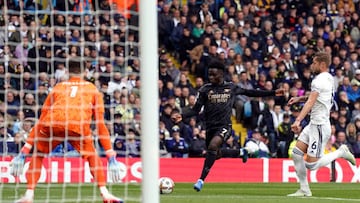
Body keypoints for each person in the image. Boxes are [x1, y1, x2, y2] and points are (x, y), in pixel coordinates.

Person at [10, 59, 123, 203]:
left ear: (67, 72)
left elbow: (41, 120)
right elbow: (100, 124)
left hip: (53, 123)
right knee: (92, 156)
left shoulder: (58, 87)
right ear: (85, 72)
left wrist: (24, 152)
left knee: (38, 155)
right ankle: (105, 193)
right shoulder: (92, 89)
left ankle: (29, 194)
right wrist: (110, 155)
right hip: (77, 125)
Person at [184, 59, 284, 192]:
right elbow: (195, 110)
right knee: (215, 153)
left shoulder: (231, 88)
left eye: (214, 74)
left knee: (213, 146)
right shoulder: (205, 90)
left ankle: (201, 179)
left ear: (221, 74)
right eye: (209, 74)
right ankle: (240, 152)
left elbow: (251, 92)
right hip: (210, 127)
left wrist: (272, 92)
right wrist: (182, 114)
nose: (211, 77)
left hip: (225, 125)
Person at [287, 52, 356, 197]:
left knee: (311, 165)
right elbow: (315, 97)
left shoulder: (318, 81)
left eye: (314, 63)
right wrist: (299, 98)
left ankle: (340, 152)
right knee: (296, 153)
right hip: (314, 124)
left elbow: (311, 101)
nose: (312, 65)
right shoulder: (329, 78)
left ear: (322, 64)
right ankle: (304, 189)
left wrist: (298, 120)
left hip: (319, 126)